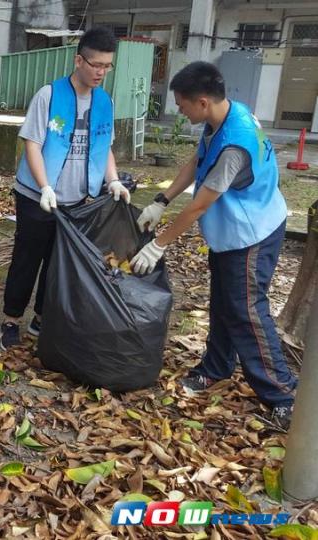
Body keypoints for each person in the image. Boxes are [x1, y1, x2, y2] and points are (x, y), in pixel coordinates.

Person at [130, 61, 296, 429]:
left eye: (182, 104)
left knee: (247, 310)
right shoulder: (223, 118)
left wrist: (159, 244)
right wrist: (161, 198)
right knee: (225, 302)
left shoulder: (234, 144)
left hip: (254, 232)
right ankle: (216, 367)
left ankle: (283, 393)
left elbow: (202, 204)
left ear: (202, 101)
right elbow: (197, 161)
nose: (180, 110)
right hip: (232, 231)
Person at [0, 27, 130, 350]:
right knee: (28, 257)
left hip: (78, 199)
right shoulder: (49, 95)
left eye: (107, 66)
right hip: (36, 196)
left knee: (60, 261)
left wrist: (112, 179)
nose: (101, 72)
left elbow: (104, 146)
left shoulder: (104, 102)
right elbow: (32, 144)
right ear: (78, 60)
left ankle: (41, 318)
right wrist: (45, 187)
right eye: (96, 64)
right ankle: (10, 320)